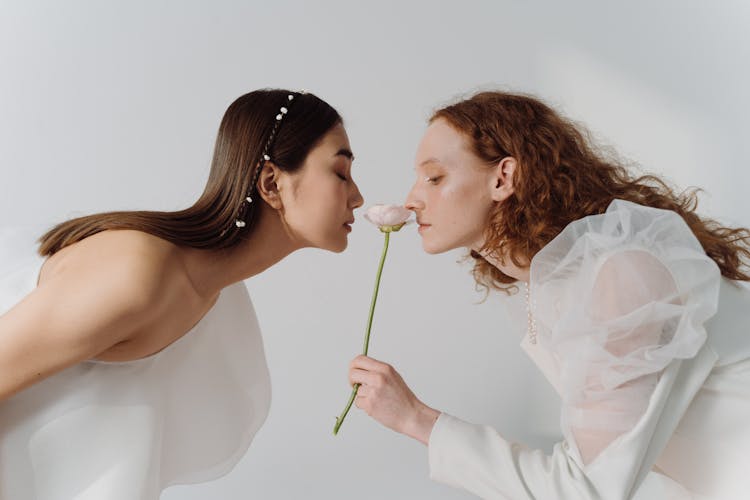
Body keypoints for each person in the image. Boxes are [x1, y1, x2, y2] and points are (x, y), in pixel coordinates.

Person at [348, 91, 750, 499]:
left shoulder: (624, 276)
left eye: (434, 178)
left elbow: (586, 488)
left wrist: (417, 419)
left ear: (502, 178)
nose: (412, 200)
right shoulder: (553, 284)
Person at [0, 88, 363, 499]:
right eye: (340, 172)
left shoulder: (215, 291)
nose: (358, 196)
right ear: (271, 183)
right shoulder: (139, 277)